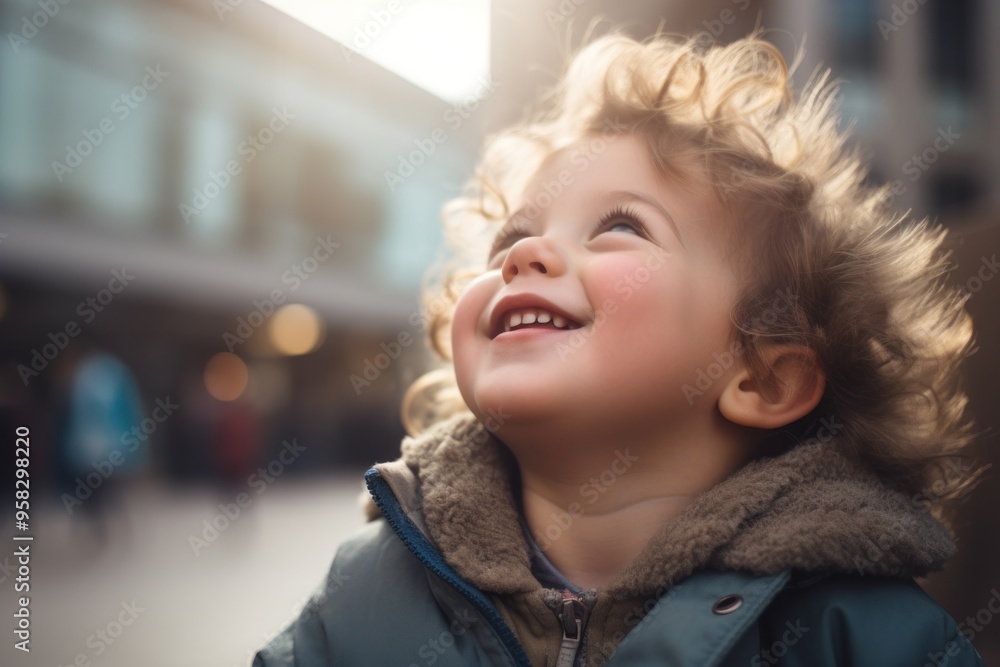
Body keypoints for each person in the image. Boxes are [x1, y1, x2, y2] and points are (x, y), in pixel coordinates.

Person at [253, 28, 988, 666]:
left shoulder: (858, 635)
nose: (526, 252)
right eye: (510, 239)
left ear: (763, 375)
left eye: (620, 227)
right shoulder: (367, 591)